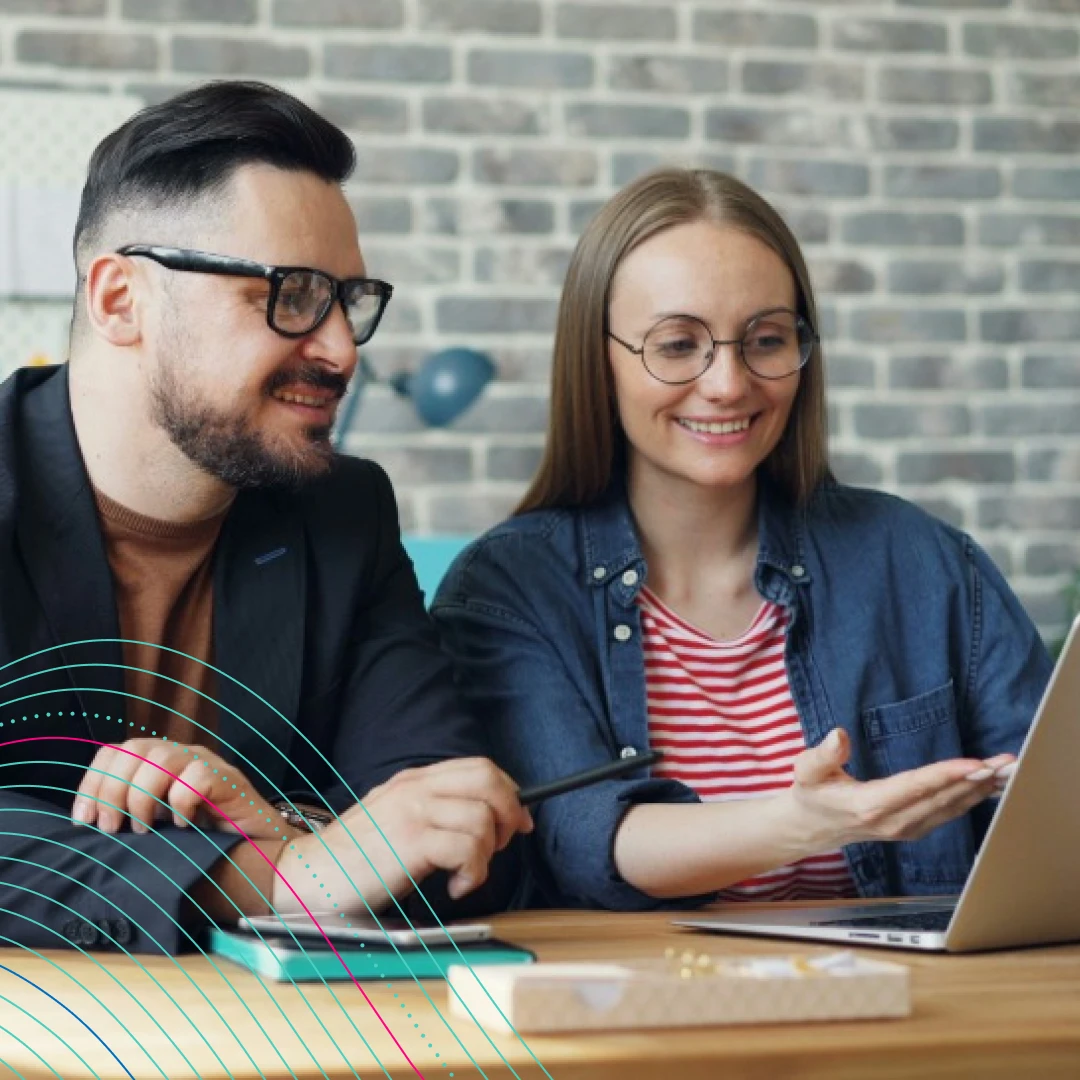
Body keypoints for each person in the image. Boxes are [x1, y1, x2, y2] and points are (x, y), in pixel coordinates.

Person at [0, 80, 531, 955]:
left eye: (346, 301)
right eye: (289, 293)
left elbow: (462, 835)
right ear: (120, 299)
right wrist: (284, 875)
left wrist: (282, 824)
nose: (340, 348)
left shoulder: (340, 514)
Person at [431, 168, 1052, 911]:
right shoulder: (509, 590)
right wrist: (800, 825)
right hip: (645, 1014)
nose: (728, 383)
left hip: (908, 1012)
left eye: (765, 339)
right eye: (677, 344)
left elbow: (1052, 816)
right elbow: (586, 838)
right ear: (598, 361)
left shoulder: (925, 563)